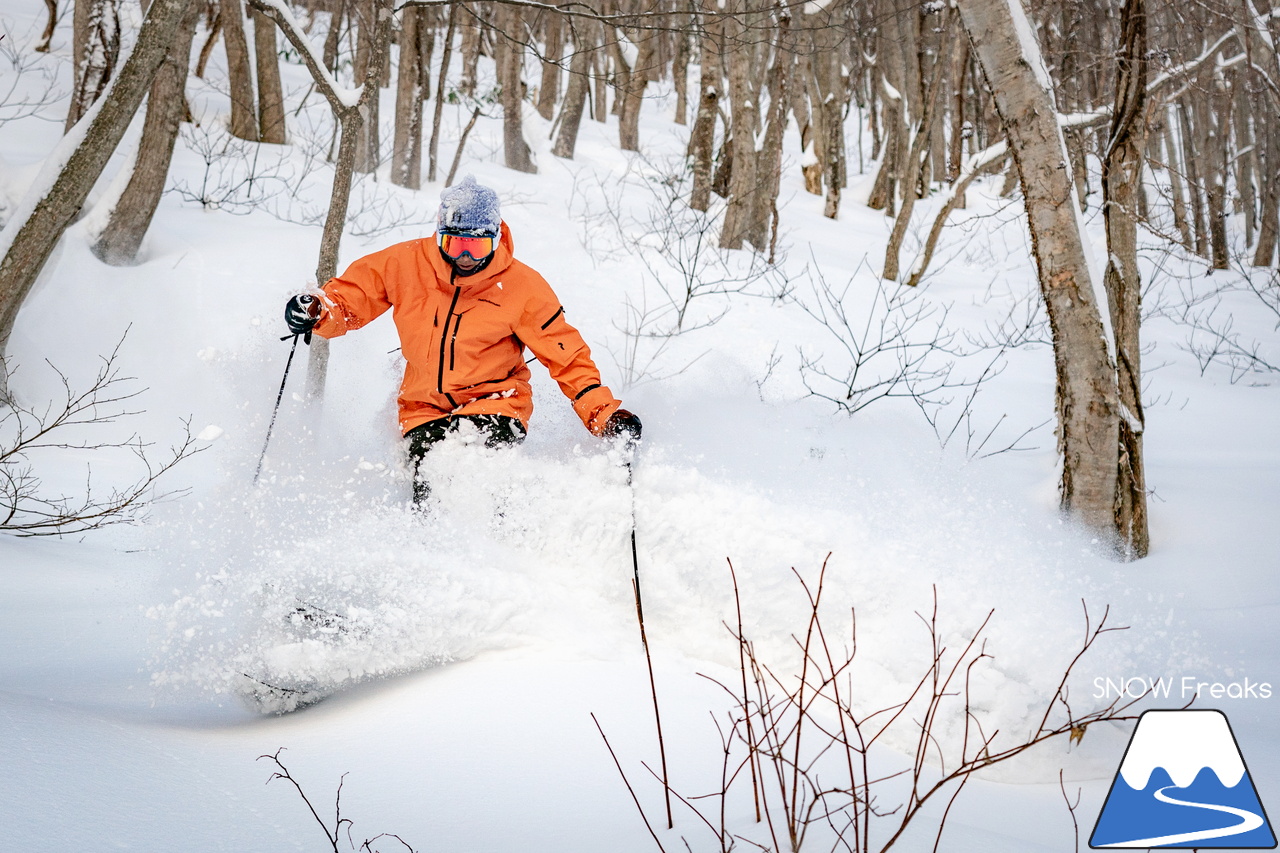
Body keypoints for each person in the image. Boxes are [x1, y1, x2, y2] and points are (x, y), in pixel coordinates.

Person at [284, 176, 641, 503]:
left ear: (496, 237)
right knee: (430, 482)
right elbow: (350, 300)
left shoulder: (523, 287)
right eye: (455, 245)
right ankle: (435, 555)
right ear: (439, 235)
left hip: (496, 402)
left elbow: (567, 356)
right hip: (423, 408)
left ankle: (499, 541)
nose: (466, 257)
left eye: (477, 246)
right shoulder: (406, 263)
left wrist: (604, 415)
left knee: (475, 469)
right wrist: (318, 309)